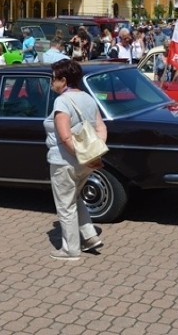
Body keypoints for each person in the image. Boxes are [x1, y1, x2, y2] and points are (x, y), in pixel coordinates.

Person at [44, 59, 107, 260]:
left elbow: (64, 136)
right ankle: (89, 236)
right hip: (86, 162)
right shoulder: (88, 97)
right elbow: (101, 127)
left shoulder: (61, 101)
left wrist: (80, 155)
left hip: (64, 161)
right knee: (75, 198)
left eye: (53, 79)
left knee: (65, 205)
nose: (52, 82)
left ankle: (70, 249)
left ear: (63, 80)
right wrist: (93, 154)